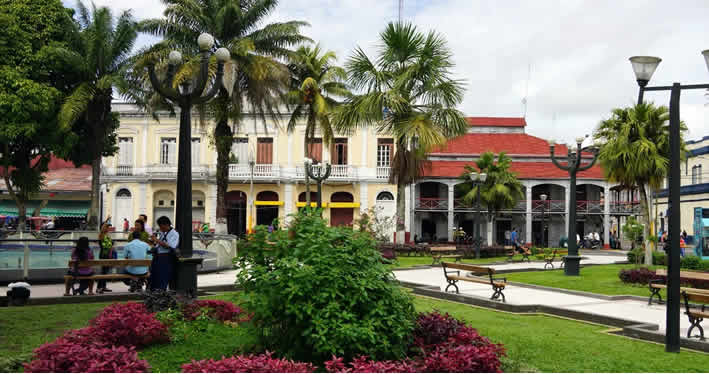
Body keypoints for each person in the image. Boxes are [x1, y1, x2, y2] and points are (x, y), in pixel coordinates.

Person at [150, 216, 179, 290]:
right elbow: (160, 244)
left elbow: (170, 246)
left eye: (161, 226)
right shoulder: (163, 233)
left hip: (166, 258)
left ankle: (161, 293)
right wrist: (154, 247)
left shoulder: (174, 234)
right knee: (155, 277)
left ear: (166, 225)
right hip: (158, 257)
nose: (160, 228)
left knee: (162, 278)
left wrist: (156, 240)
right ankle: (155, 293)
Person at [96, 224, 114, 294]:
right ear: (104, 228)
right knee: (103, 272)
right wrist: (111, 244)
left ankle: (103, 286)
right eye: (108, 228)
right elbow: (104, 245)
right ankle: (99, 287)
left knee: (105, 271)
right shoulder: (102, 235)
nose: (109, 229)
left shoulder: (107, 235)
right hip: (104, 255)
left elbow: (109, 244)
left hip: (108, 255)